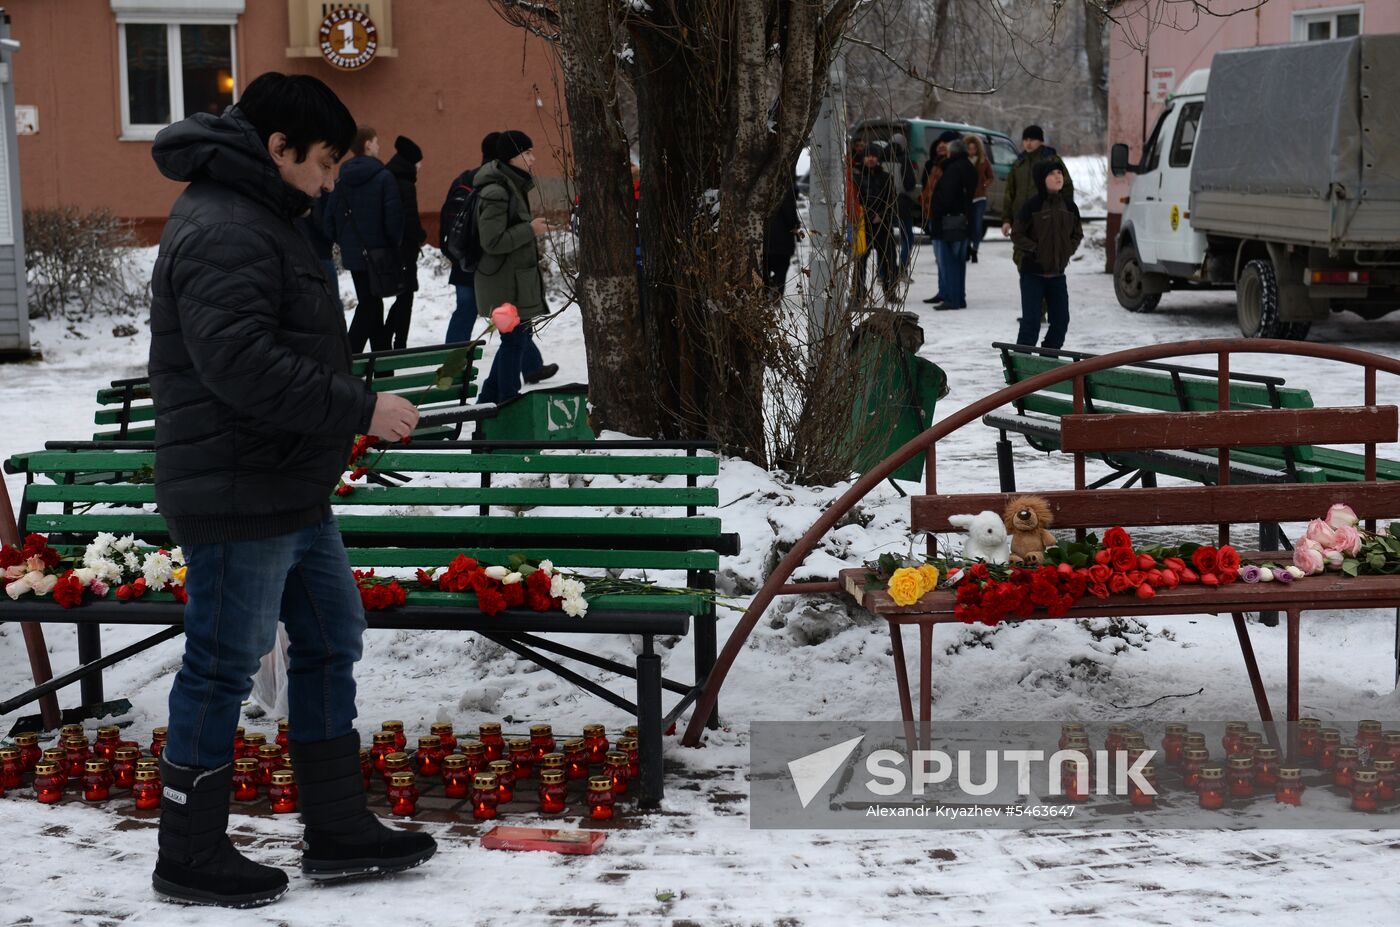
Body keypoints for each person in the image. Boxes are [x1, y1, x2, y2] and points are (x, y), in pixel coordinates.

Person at [147, 72, 435, 908]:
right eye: (323, 161)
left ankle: (337, 825)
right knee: (222, 664)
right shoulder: (225, 225)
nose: (332, 179)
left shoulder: (259, 214)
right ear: (277, 149)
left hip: (286, 484)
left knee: (328, 633)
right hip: (239, 491)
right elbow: (238, 364)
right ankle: (190, 851)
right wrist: (358, 407)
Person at [474, 130, 558, 404]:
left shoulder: (511, 186)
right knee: (514, 342)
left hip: (511, 284)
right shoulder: (497, 191)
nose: (533, 159)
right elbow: (492, 241)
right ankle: (507, 400)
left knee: (516, 341)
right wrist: (529, 230)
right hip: (502, 286)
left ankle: (488, 400)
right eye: (527, 153)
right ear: (512, 157)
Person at [323, 125, 403, 353]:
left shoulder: (342, 179)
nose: (379, 146)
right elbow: (393, 218)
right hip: (380, 254)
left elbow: (329, 220)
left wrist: (346, 242)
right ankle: (349, 356)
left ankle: (382, 364)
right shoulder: (384, 177)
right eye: (376, 141)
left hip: (355, 256)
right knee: (370, 306)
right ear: (367, 144)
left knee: (372, 305)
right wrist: (392, 245)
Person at [1011, 161, 1083, 349]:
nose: (1058, 176)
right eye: (1052, 173)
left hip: (1057, 276)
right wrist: (1035, 249)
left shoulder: (1069, 206)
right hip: (1032, 275)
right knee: (1031, 324)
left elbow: (1077, 233)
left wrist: (1068, 249)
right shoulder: (1032, 206)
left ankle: (1048, 360)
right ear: (1042, 179)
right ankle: (1022, 364)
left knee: (1061, 322)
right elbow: (1016, 234)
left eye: (1060, 172)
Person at [442, 132, 500, 344]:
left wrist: (452, 253)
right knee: (507, 314)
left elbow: (446, 220)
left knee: (465, 311)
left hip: (462, 259)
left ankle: (450, 364)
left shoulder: (463, 179)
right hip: (488, 262)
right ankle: (530, 364)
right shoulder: (497, 182)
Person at [925, 138, 977, 311]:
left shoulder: (953, 169)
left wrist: (936, 212)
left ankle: (953, 299)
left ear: (951, 152)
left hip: (948, 222)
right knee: (959, 262)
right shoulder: (969, 166)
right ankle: (959, 298)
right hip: (963, 220)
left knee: (950, 262)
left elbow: (946, 196)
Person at [384, 135, 426, 350]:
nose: (420, 166)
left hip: (396, 247)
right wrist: (420, 235)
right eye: (419, 162)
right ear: (411, 162)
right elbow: (409, 218)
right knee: (406, 295)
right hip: (404, 248)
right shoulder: (404, 183)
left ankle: (392, 336)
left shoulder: (392, 177)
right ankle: (398, 341)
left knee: (404, 294)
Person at [1000, 125, 1073, 244]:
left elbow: (1067, 187)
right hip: (1022, 218)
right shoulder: (1019, 163)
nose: (1028, 143)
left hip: (1045, 218)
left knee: (1044, 256)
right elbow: (1010, 193)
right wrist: (1007, 220)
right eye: (1025, 140)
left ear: (1040, 141)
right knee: (1022, 256)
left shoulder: (1051, 160)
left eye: (1032, 140)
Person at [854, 142, 899, 302]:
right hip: (863, 226)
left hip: (883, 225)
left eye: (873, 156)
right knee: (860, 261)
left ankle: (890, 291)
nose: (871, 159)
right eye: (868, 156)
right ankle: (858, 293)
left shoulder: (887, 178)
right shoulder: (856, 177)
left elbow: (891, 200)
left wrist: (882, 214)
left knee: (889, 260)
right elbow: (855, 201)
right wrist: (866, 214)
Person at [298, 196, 342, 312]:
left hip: (299, 252)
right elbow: (323, 222)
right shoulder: (317, 190)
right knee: (332, 306)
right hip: (320, 251)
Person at [762, 171, 800, 294]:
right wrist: (795, 226)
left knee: (765, 269)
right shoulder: (786, 190)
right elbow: (789, 213)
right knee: (781, 270)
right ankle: (776, 296)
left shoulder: (763, 188)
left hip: (765, 238)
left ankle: (765, 293)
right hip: (782, 240)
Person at [889, 133, 919, 274]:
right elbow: (909, 185)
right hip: (901, 202)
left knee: (886, 239)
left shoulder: (881, 157)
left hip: (884, 203)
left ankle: (884, 272)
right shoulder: (904, 161)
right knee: (907, 237)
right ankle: (902, 268)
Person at [963, 134, 995, 264]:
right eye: (969, 148)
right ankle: (966, 250)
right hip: (965, 198)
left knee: (977, 225)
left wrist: (984, 184)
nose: (971, 151)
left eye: (974, 148)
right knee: (965, 225)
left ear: (978, 149)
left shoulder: (983, 161)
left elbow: (991, 177)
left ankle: (975, 251)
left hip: (980, 198)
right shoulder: (963, 160)